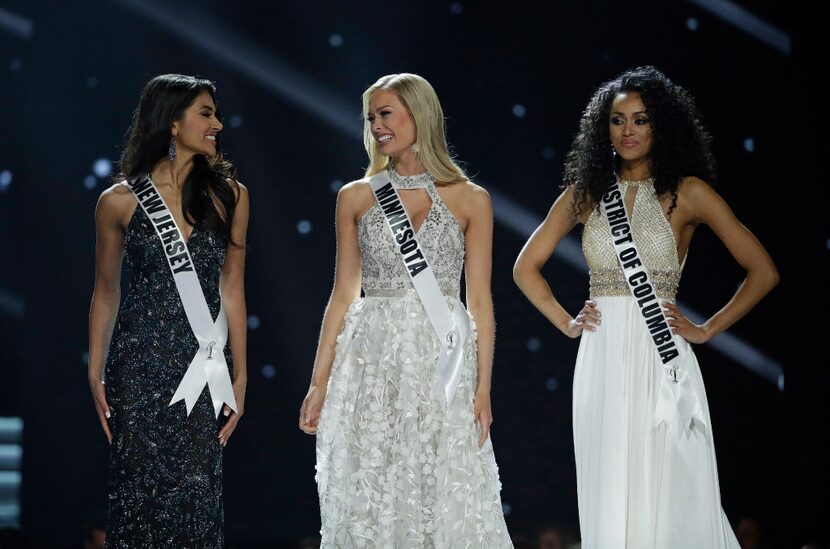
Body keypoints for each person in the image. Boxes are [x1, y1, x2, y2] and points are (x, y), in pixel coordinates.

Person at [514, 66, 779, 548]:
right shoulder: (586, 194)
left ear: (660, 125)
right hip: (602, 355)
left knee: (675, 486)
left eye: (640, 119)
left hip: (662, 355)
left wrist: (707, 328)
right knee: (611, 486)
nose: (628, 131)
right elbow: (525, 266)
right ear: (604, 128)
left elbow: (763, 271)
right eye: (618, 121)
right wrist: (566, 322)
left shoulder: (689, 193)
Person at [299, 73, 512, 547]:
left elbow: (479, 302)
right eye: (371, 117)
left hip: (442, 361)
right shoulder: (356, 196)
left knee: (441, 485)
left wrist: (483, 389)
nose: (376, 125)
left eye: (385, 113)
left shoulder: (471, 199)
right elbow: (342, 295)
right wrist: (319, 383)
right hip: (370, 363)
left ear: (419, 115)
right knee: (375, 482)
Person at [88, 74, 248, 546]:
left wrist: (240, 374)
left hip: (204, 368)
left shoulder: (231, 196)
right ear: (173, 123)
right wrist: (94, 371)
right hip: (137, 370)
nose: (218, 123)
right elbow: (105, 292)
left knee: (198, 501)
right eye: (206, 113)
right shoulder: (118, 202)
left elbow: (233, 288)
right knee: (138, 500)